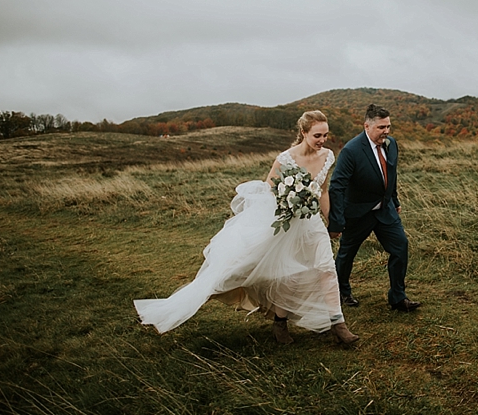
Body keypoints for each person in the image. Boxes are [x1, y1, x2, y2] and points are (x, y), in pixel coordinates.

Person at [134, 110, 359, 345]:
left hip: (311, 222)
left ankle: (338, 324)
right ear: (303, 133)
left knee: (326, 268)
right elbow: (268, 191)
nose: (323, 140)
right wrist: (288, 202)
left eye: (325, 135)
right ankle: (280, 323)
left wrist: (332, 222)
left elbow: (322, 191)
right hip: (288, 222)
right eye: (317, 135)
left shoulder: (328, 156)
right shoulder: (285, 159)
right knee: (290, 274)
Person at [328, 104, 421, 312]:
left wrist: (394, 201)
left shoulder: (391, 144)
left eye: (388, 126)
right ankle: (342, 292)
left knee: (400, 247)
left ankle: (398, 298)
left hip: (385, 209)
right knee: (347, 254)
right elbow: (337, 186)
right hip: (358, 212)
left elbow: (391, 175)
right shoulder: (351, 151)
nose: (386, 132)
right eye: (381, 127)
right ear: (367, 126)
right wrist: (337, 220)